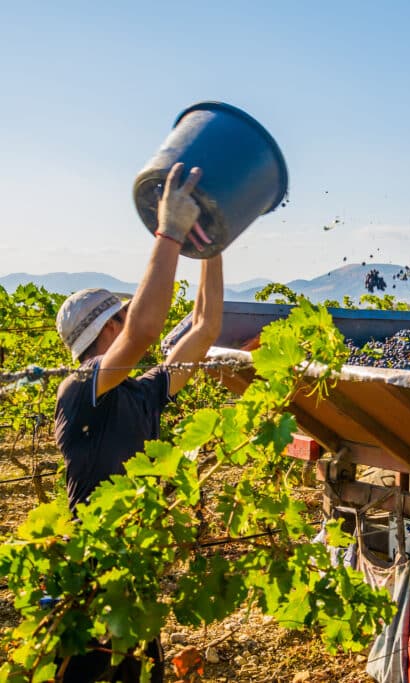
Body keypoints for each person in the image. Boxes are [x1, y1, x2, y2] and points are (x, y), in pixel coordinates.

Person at [52, 162, 223, 681]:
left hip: (131, 569)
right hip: (92, 574)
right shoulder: (84, 391)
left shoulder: (140, 393)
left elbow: (205, 328)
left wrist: (210, 249)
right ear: (107, 330)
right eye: (122, 317)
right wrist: (169, 230)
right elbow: (149, 328)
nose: (132, 320)